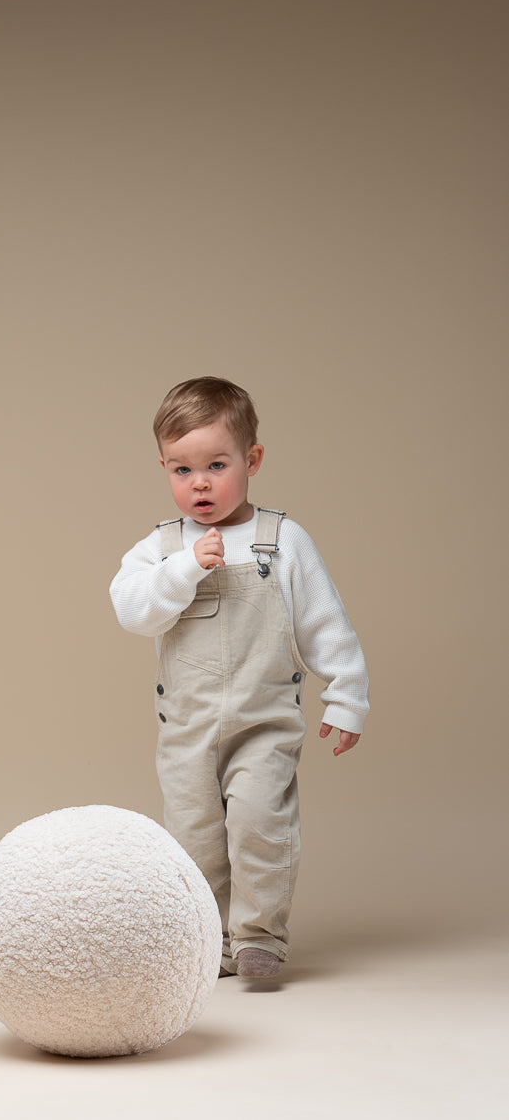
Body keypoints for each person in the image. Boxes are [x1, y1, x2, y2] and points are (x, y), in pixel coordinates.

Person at [109, 377, 369, 979]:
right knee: (194, 838)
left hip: (265, 722)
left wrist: (346, 699)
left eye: (216, 465)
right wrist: (180, 572)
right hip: (188, 729)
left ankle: (258, 938)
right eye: (181, 470)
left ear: (251, 460)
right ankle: (207, 941)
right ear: (164, 468)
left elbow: (326, 625)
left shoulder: (283, 542)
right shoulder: (162, 548)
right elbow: (132, 612)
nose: (199, 483)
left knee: (259, 824)